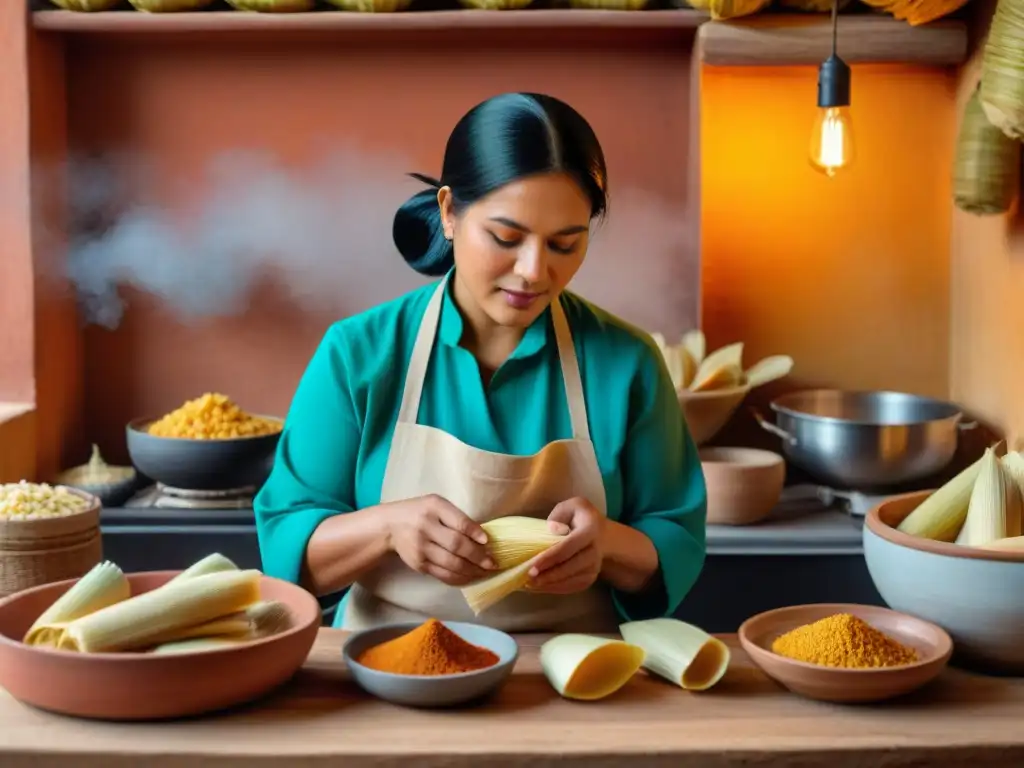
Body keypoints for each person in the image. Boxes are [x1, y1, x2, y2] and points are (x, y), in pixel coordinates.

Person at [255, 92, 707, 632]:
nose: (534, 271)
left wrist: (609, 546)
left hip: (576, 677)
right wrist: (388, 528)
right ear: (449, 212)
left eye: (565, 244)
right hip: (386, 669)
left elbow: (676, 538)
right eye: (506, 237)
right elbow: (286, 545)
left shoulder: (627, 363)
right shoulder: (358, 354)